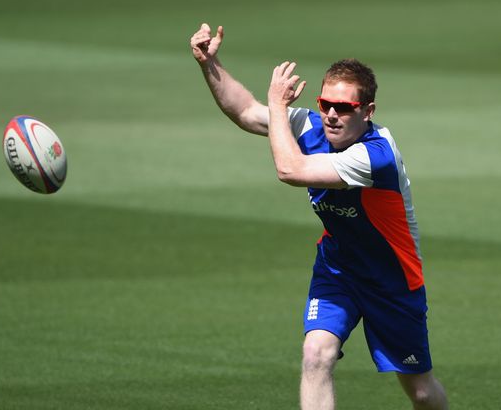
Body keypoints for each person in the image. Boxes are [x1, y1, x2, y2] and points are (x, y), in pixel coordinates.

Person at [190, 23, 448, 410]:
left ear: (368, 111)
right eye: (325, 103)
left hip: (391, 279)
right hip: (338, 269)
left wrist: (278, 106)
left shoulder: (375, 156)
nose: (330, 114)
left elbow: (290, 171)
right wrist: (210, 63)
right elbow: (245, 111)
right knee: (316, 355)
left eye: (343, 108)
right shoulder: (313, 127)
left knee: (422, 391)